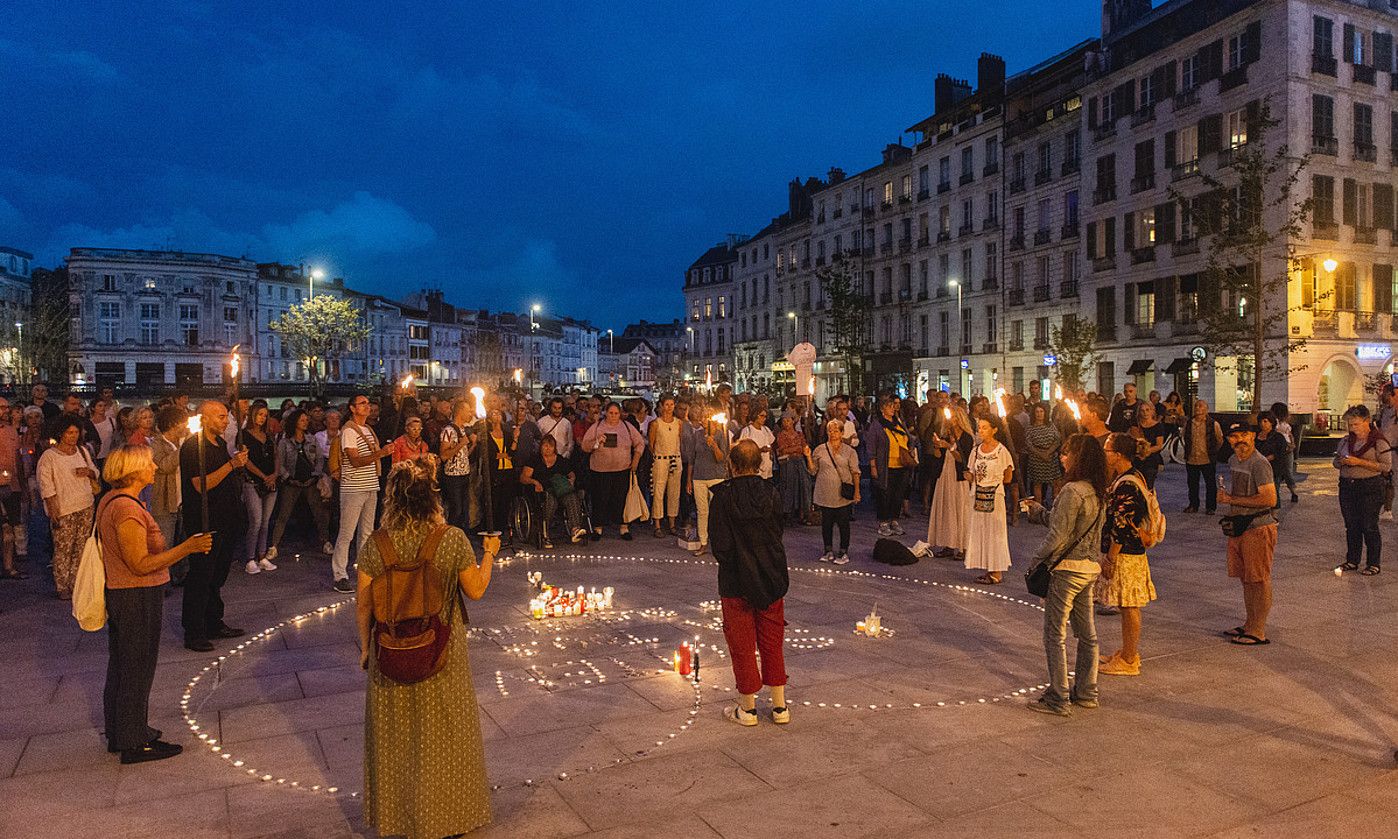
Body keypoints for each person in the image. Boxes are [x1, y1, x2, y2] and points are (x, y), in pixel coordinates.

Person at [356, 459, 498, 839]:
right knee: (445, 737)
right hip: (441, 651)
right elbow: (477, 590)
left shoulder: (377, 542)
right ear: (431, 497)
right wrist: (489, 554)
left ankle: (402, 818)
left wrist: (364, 650)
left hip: (390, 650)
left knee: (397, 740)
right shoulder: (450, 539)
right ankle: (446, 819)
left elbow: (364, 603)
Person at [97, 445, 213, 763]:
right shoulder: (126, 509)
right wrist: (186, 548)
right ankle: (134, 743)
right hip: (135, 593)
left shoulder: (115, 499)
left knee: (124, 665)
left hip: (127, 592)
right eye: (148, 463)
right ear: (133, 471)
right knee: (136, 666)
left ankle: (122, 732)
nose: (153, 467)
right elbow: (140, 563)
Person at [1024, 433, 1109, 716]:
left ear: (1078, 458)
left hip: (1067, 570)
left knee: (1054, 633)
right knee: (1087, 633)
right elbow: (1068, 526)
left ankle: (1058, 697)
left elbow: (1059, 536)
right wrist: (1039, 512)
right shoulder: (1097, 491)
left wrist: (1036, 559)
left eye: (1067, 453)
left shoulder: (1073, 490)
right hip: (1089, 569)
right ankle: (1087, 692)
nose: (1062, 457)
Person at [710, 439, 790, 726]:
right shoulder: (771, 493)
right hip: (770, 575)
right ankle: (780, 707)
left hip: (735, 579)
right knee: (772, 641)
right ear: (759, 464)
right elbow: (777, 531)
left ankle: (748, 708)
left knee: (742, 643)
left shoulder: (722, 497)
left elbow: (719, 543)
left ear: (731, 464)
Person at [179, 401, 248, 651]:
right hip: (204, 521)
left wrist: (235, 463)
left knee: (217, 576)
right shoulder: (193, 447)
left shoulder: (219, 444)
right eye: (220, 417)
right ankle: (194, 630)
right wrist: (232, 465)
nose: (226, 421)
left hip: (225, 519)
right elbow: (201, 484)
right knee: (201, 576)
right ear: (205, 419)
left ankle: (213, 622)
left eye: (226, 417)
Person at [1097, 433, 1158, 677]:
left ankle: (1130, 659)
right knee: (1125, 604)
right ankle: (1126, 651)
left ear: (1119, 455)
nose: (1105, 453)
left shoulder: (1128, 484)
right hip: (1129, 551)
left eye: (1107, 450)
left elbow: (1122, 524)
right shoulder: (1129, 477)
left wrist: (1111, 557)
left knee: (1130, 604)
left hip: (1127, 553)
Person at [1218, 420, 1278, 645]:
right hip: (1240, 527)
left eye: (1244, 434)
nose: (1239, 440)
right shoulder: (1234, 459)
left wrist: (1232, 499)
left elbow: (1270, 499)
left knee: (1259, 579)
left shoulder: (1259, 464)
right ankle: (1250, 623)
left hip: (1258, 527)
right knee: (1247, 579)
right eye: (1234, 436)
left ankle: (1258, 630)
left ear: (1253, 436)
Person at [332, 394, 393, 594]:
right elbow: (355, 461)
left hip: (370, 485)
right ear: (352, 408)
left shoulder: (368, 430)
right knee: (347, 533)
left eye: (368, 403)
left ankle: (364, 569)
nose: (367, 406)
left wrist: (384, 452)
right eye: (362, 403)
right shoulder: (349, 431)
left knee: (367, 532)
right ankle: (339, 574)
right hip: (353, 487)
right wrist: (381, 454)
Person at [37, 415, 100, 599]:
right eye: (69, 433)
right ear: (61, 434)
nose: (72, 436)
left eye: (75, 433)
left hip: (85, 504)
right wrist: (53, 509)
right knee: (63, 548)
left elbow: (95, 471)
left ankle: (76, 582)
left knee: (80, 546)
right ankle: (62, 585)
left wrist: (88, 472)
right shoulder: (49, 456)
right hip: (64, 508)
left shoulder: (82, 451)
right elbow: (46, 485)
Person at [269, 408, 334, 558]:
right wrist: (287, 477)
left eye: (306, 420)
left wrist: (316, 474)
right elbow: (280, 462)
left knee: (319, 513)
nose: (305, 422)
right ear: (295, 422)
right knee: (284, 514)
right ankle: (274, 545)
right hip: (291, 482)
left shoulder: (311, 439)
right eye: (302, 420)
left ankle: (325, 541)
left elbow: (319, 459)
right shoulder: (285, 442)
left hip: (310, 481)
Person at [1333, 405, 1389, 575]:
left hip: (1370, 486)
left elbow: (1386, 466)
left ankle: (1373, 562)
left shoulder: (1378, 441)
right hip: (1348, 486)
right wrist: (1341, 461)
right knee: (1351, 525)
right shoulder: (1345, 441)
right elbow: (1335, 462)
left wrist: (1360, 462)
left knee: (1368, 525)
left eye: (1356, 424)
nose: (1352, 428)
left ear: (1367, 422)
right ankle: (1352, 560)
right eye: (1350, 424)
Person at [581, 402, 645, 541]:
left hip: (622, 469)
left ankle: (624, 527)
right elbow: (585, 446)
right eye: (611, 413)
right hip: (600, 470)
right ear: (606, 413)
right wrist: (597, 442)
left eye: (616, 413)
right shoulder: (597, 427)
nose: (614, 416)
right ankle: (598, 528)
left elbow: (639, 442)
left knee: (621, 499)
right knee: (600, 499)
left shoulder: (627, 427)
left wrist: (636, 459)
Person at [965, 416, 1014, 585]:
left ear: (994, 430)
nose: (981, 431)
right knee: (982, 530)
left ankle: (997, 571)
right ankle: (987, 566)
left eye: (985, 427)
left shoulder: (1001, 451)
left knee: (995, 532)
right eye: (979, 427)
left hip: (995, 496)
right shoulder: (976, 451)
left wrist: (993, 481)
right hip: (978, 495)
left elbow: (1008, 476)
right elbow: (971, 473)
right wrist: (969, 476)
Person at [520, 436, 588, 547]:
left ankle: (575, 529)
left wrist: (571, 479)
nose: (548, 448)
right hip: (544, 490)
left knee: (572, 497)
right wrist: (535, 482)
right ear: (541, 447)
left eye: (550, 446)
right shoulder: (534, 460)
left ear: (554, 448)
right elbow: (523, 477)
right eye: (545, 445)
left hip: (560, 489)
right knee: (550, 500)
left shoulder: (560, 460)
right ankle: (545, 533)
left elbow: (571, 473)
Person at [810, 418, 859, 565]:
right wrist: (807, 456)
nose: (833, 433)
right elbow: (813, 470)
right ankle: (828, 549)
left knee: (843, 523)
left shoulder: (849, 451)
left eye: (836, 431)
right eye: (830, 431)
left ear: (842, 432)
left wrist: (857, 491)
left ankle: (843, 551)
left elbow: (855, 472)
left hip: (842, 494)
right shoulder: (820, 449)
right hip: (825, 492)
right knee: (827, 523)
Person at [684, 403, 731, 556]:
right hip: (699, 477)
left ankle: (719, 541)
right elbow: (692, 458)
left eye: (706, 417)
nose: (703, 420)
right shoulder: (697, 435)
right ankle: (703, 542)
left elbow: (722, 459)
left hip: (716, 476)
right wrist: (689, 479)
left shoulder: (721, 435)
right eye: (702, 417)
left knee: (717, 511)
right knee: (702, 511)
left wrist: (715, 446)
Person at [926, 406, 973, 559]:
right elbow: (938, 455)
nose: (952, 421)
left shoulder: (966, 437)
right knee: (946, 508)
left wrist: (949, 446)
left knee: (959, 508)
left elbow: (963, 459)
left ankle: (961, 546)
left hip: (958, 476)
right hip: (945, 473)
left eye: (954, 418)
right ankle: (947, 543)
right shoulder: (946, 434)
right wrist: (937, 445)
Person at [240, 402, 279, 575]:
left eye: (265, 415)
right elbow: (246, 461)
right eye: (260, 414)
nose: (262, 418)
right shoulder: (244, 436)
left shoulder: (268, 436)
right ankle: (250, 558)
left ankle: (262, 555)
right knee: (255, 521)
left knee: (265, 522)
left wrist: (275, 474)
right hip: (253, 482)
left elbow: (277, 456)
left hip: (270, 481)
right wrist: (263, 476)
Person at [868, 395, 915, 537]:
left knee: (898, 494)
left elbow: (907, 436)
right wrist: (873, 466)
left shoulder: (898, 422)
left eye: (893, 406)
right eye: (889, 407)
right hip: (886, 465)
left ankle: (894, 520)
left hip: (901, 464)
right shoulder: (877, 425)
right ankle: (883, 521)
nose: (893, 409)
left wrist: (910, 447)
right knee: (884, 494)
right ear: (882, 409)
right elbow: (872, 447)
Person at [150, 406, 186, 582]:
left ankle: (180, 575)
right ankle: (162, 580)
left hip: (183, 499)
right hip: (164, 501)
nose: (186, 426)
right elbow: (164, 466)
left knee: (182, 541)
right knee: (165, 543)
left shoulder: (183, 441)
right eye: (183, 422)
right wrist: (183, 448)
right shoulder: (155, 444)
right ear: (173, 424)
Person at [438, 398, 477, 531]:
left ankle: (462, 534)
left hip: (464, 474)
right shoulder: (449, 431)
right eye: (468, 411)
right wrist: (461, 444)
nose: (470, 414)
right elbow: (443, 455)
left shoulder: (462, 430)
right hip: (452, 476)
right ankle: (451, 535)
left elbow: (463, 455)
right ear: (460, 412)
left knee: (464, 509)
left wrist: (473, 444)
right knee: (456, 509)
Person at [648, 395, 683, 537]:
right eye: (667, 405)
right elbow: (651, 443)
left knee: (674, 492)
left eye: (672, 404)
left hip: (675, 458)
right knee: (658, 491)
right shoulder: (656, 423)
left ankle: (672, 522)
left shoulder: (679, 423)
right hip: (661, 459)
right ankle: (657, 523)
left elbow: (679, 440)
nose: (669, 408)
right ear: (662, 406)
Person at [1181, 399, 1222, 514]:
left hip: (1207, 458)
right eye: (1196, 406)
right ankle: (1193, 505)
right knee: (1192, 484)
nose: (1198, 408)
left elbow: (1219, 440)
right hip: (1192, 458)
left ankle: (1211, 507)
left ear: (1206, 409)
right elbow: (1185, 437)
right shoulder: (1188, 423)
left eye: (1200, 406)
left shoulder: (1213, 424)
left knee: (1210, 484)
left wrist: (1212, 452)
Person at [484, 408, 518, 539]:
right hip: (495, 471)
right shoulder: (487, 435)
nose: (496, 416)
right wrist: (505, 455)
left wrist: (515, 439)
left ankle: (502, 527)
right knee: (494, 501)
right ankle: (493, 529)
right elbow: (491, 455)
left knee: (505, 501)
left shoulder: (507, 434)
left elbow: (513, 452)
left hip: (508, 470)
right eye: (493, 413)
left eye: (498, 413)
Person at [774, 414, 813, 525]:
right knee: (788, 485)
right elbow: (782, 449)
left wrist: (794, 449)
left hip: (800, 461)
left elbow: (804, 446)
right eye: (784, 421)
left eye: (788, 420)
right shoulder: (781, 435)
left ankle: (803, 513)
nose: (787, 423)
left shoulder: (799, 434)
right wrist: (796, 448)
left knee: (803, 484)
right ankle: (788, 513)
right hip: (788, 463)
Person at [1025, 403, 1064, 505]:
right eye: (1037, 412)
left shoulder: (1050, 425)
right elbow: (1029, 444)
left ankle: (1055, 506)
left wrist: (1048, 452)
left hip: (1051, 458)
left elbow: (1057, 439)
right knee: (1038, 484)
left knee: (1056, 483)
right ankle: (1039, 508)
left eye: (1041, 411)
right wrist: (1040, 454)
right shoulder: (1030, 428)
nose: (1039, 414)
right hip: (1036, 459)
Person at [1132, 402, 1169, 490]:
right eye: (1142, 410)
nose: (1145, 413)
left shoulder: (1158, 426)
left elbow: (1159, 445)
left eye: (1147, 410)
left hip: (1151, 461)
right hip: (1136, 461)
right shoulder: (1135, 426)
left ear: (1152, 412)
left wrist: (1146, 451)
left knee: (1148, 487)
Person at [1270, 401, 1300, 505]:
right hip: (1285, 449)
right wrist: (1292, 445)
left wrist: (1292, 444)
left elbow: (1290, 435)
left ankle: (1291, 492)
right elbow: (1289, 435)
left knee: (1284, 472)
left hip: (1284, 450)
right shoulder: (1277, 424)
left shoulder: (1280, 424)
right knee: (1287, 472)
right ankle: (1292, 492)